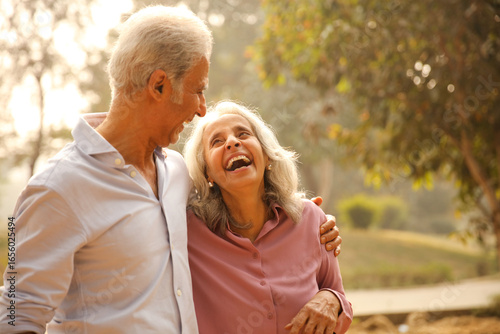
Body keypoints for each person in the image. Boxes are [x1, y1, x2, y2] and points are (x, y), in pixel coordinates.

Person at [0, 5, 341, 334]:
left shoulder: (176, 173)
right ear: (159, 85)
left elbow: (238, 198)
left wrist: (309, 220)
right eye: (199, 90)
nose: (202, 110)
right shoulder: (54, 187)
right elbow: (14, 312)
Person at [183, 101, 353, 334]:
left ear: (267, 155)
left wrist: (331, 299)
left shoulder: (311, 219)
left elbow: (341, 302)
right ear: (207, 173)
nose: (233, 142)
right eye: (217, 141)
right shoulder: (187, 233)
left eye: (243, 134)